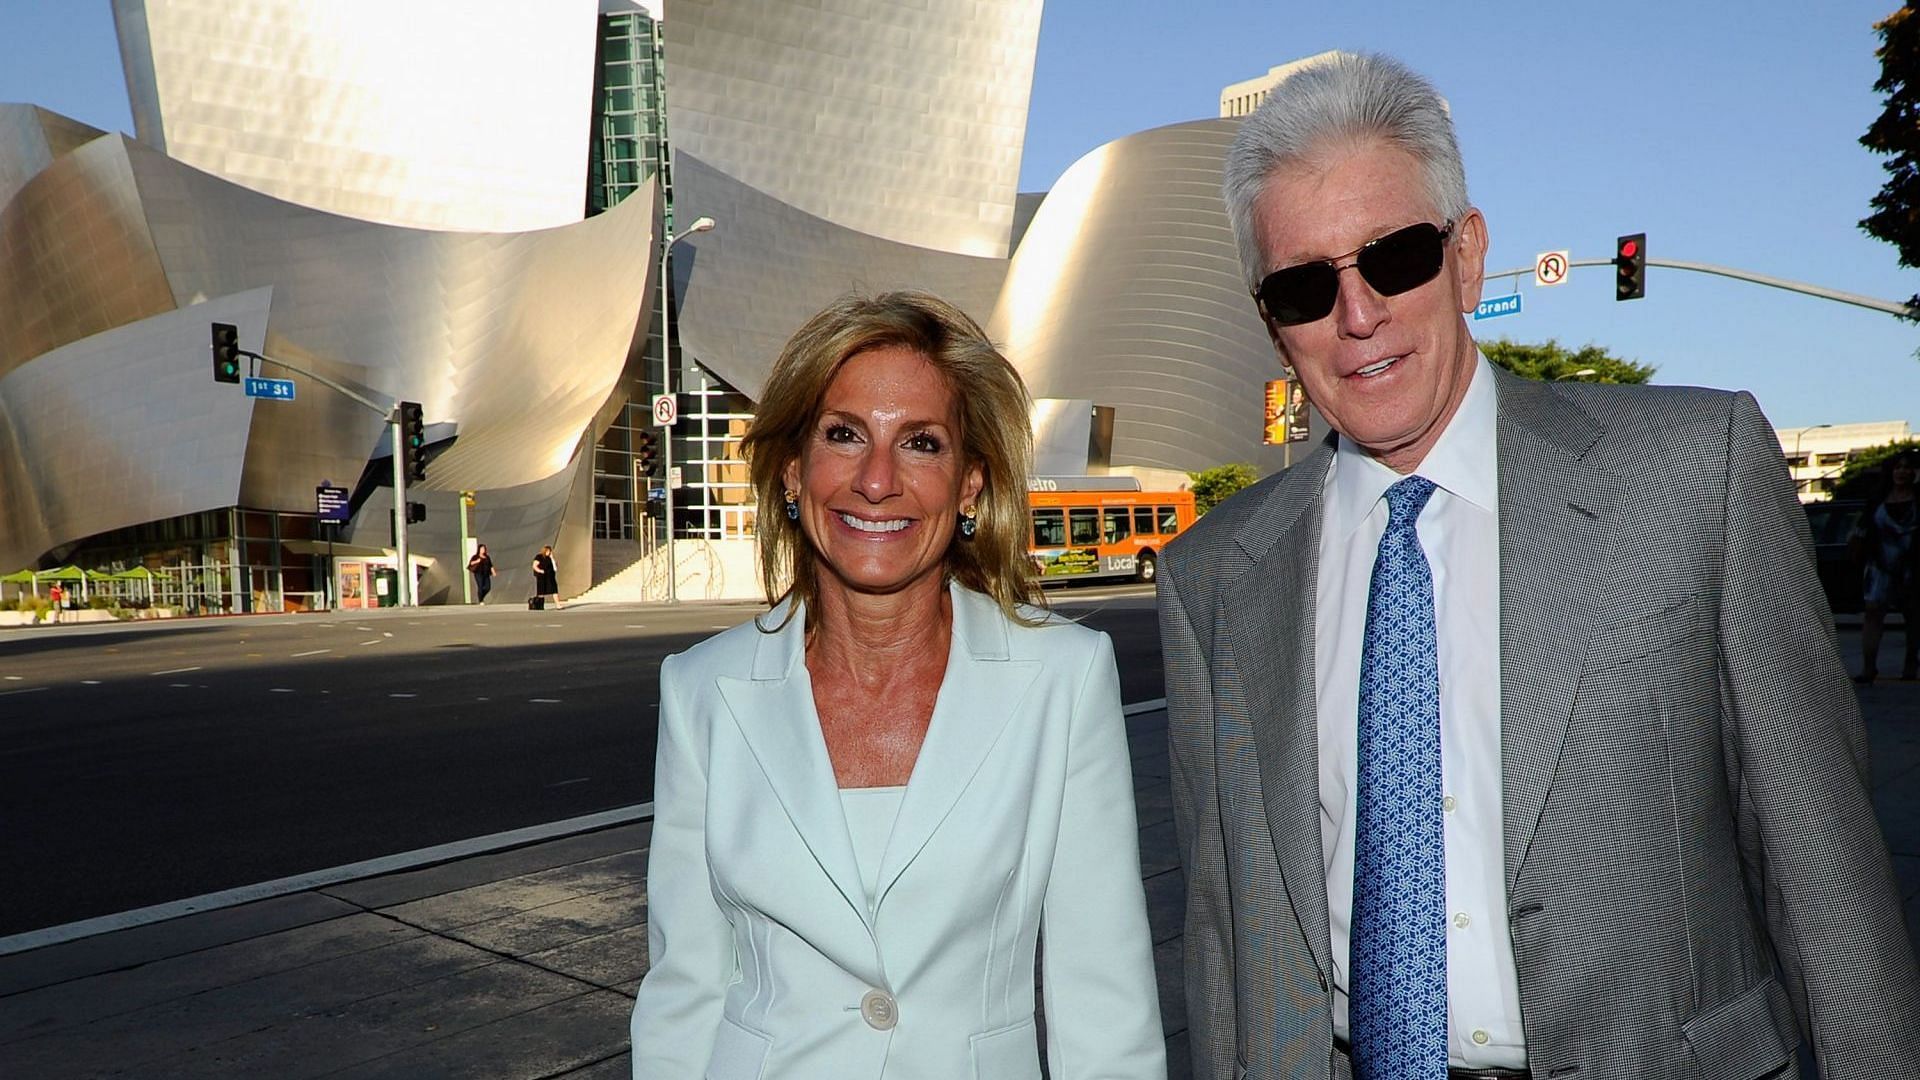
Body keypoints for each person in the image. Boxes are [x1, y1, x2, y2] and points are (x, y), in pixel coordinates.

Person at [1159, 52, 1920, 1080]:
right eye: (1303, 286)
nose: (1357, 315)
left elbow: (1822, 880)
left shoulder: (1699, 472)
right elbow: (1226, 944)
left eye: (1393, 259)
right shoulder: (1212, 578)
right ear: (1271, 324)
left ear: (1467, 257)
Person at [630, 291, 1165, 1079]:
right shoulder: (703, 690)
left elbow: (1105, 1006)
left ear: (971, 485)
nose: (877, 480)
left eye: (920, 443)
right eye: (844, 435)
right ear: (792, 472)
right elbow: (684, 995)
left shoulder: (1064, 678)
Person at [1853, 448, 1919, 683]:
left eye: (1907, 467)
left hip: (1911, 567)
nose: (1902, 471)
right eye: (1898, 466)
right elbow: (1862, 528)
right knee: (1872, 612)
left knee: (1913, 617)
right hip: (1878, 565)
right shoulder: (1878, 498)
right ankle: (1868, 667)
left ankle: (1911, 664)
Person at [531, 544, 558, 610]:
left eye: (550, 551)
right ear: (545, 551)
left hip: (550, 577)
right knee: (541, 591)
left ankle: (558, 604)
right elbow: (534, 566)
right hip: (541, 577)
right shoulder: (539, 557)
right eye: (548, 551)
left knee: (554, 590)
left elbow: (555, 568)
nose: (549, 552)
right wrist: (540, 571)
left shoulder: (550, 558)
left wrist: (552, 558)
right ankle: (540, 605)